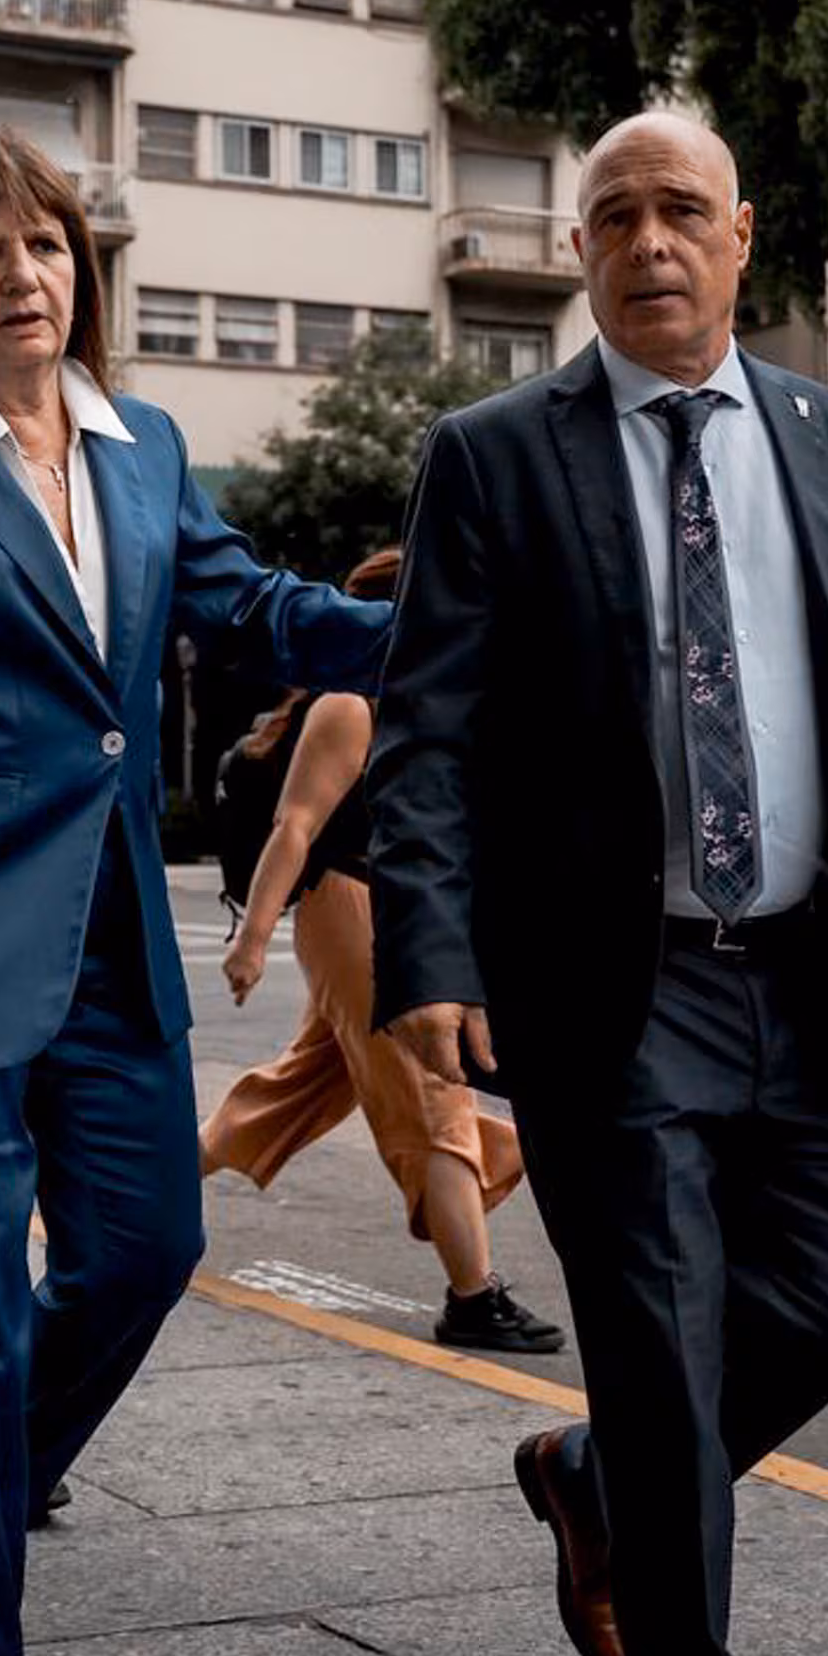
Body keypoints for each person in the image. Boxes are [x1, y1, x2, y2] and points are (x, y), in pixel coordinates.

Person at [371, 110, 828, 1656]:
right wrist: (430, 954)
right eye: (615, 216)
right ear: (579, 251)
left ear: (741, 236)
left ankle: (598, 1481)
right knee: (663, 1355)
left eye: (680, 210)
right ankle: (684, 1655)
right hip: (611, 984)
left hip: (803, 971)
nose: (649, 241)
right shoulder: (492, 453)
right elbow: (428, 730)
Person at [0, 127, 391, 1656]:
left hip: (109, 944)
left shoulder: (144, 447)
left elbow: (252, 608)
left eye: (44, 244)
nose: (22, 274)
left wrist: (445, 625)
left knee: (148, 1242)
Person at [200, 546, 562, 1355]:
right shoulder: (349, 704)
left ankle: (139, 1188)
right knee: (433, 1094)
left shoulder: (421, 699)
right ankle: (473, 1296)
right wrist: (251, 941)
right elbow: (295, 826)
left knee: (299, 1085)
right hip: (354, 905)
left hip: (390, 907)